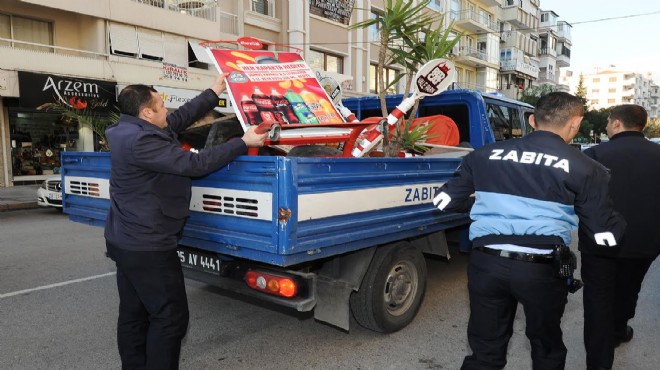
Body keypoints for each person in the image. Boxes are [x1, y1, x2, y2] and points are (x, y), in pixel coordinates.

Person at [432, 92, 625, 370]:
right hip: (541, 270)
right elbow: (602, 233)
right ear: (576, 124)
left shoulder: (483, 155)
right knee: (546, 348)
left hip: (486, 264)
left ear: (532, 120)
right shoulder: (587, 168)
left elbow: (444, 202)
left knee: (485, 351)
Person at [104, 75, 268, 369]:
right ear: (146, 113)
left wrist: (214, 91)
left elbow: (178, 119)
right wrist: (243, 142)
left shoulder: (129, 129)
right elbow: (196, 164)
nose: (167, 109)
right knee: (169, 318)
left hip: (127, 240)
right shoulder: (143, 141)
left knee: (134, 313)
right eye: (161, 105)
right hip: (147, 245)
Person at [579, 104, 660, 370]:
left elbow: (578, 198)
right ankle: (618, 329)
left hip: (600, 242)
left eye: (607, 122)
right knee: (630, 286)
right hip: (647, 241)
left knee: (597, 297)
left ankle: (599, 360)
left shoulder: (593, 155)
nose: (604, 127)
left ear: (616, 123)